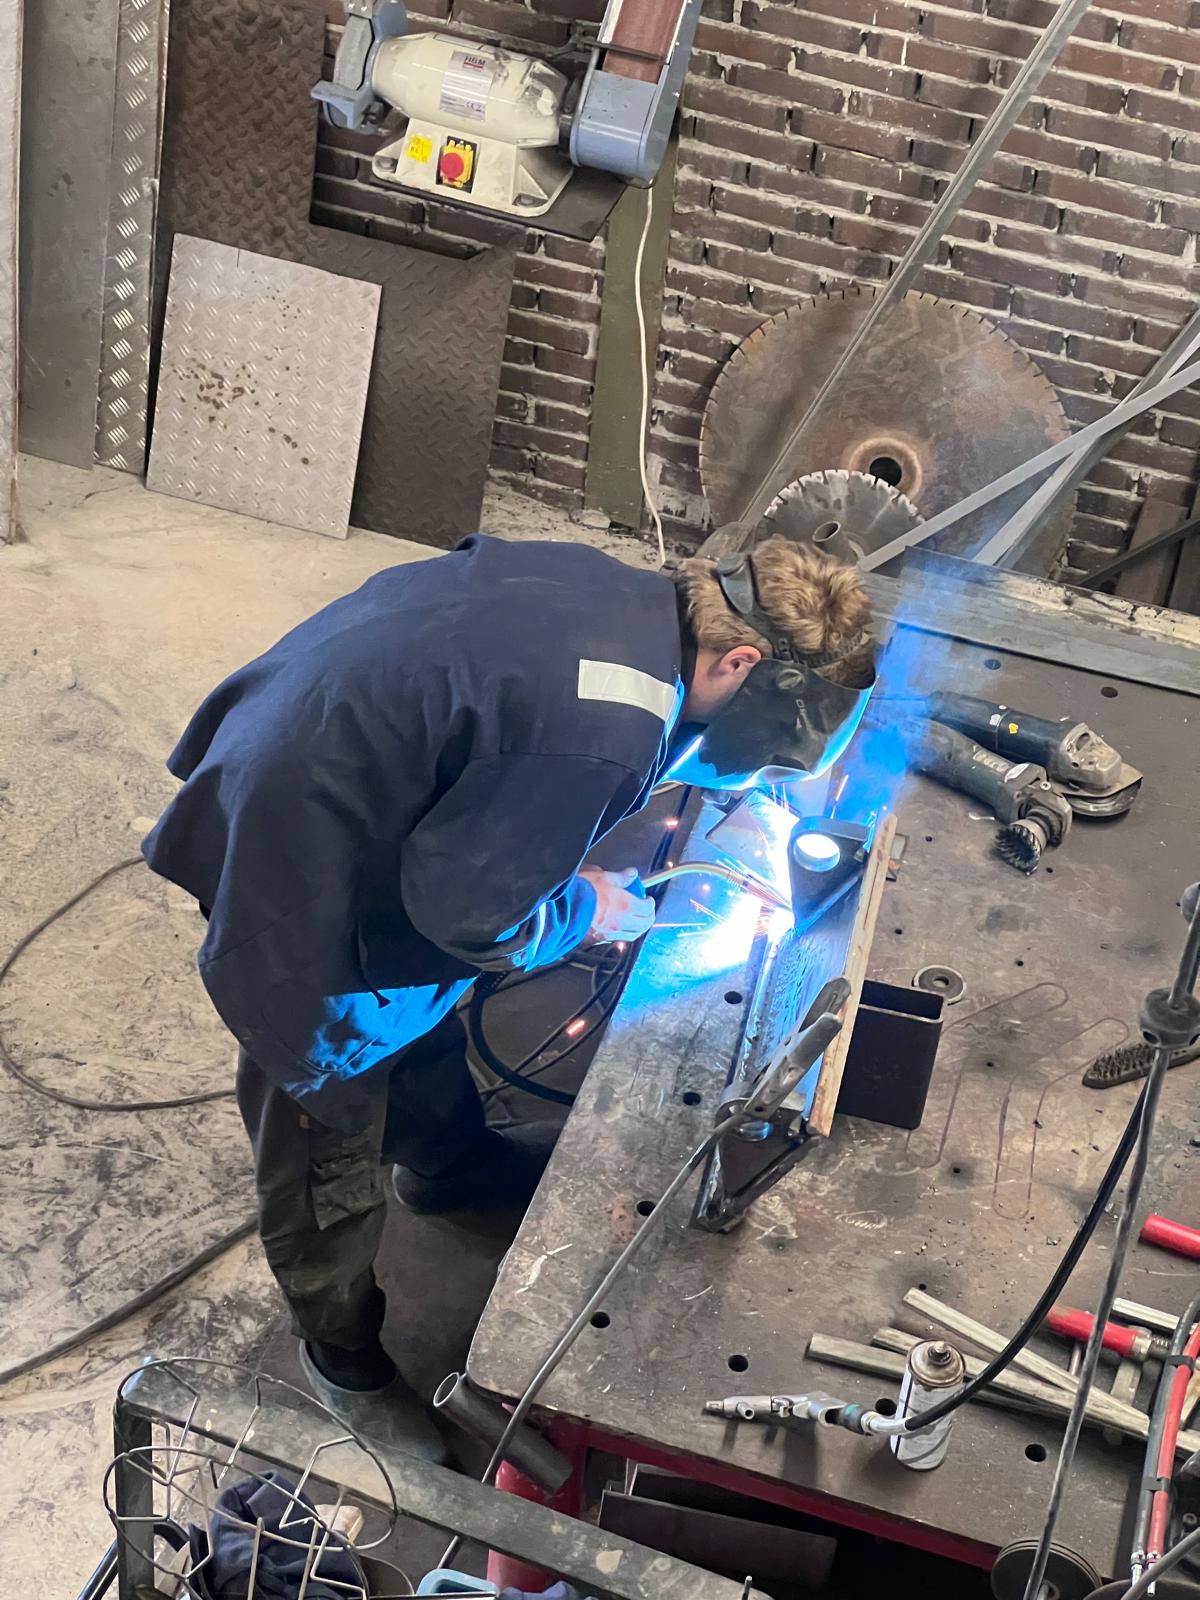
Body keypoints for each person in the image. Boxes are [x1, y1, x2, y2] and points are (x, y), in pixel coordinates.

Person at [143, 532, 876, 1457]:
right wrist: (588, 906)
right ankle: (340, 1355)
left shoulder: (637, 600)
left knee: (421, 1011)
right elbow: (472, 918)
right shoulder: (607, 731)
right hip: (301, 859)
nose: (754, 776)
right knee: (326, 1120)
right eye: (765, 762)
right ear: (740, 659)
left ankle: (450, 1168)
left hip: (338, 762)